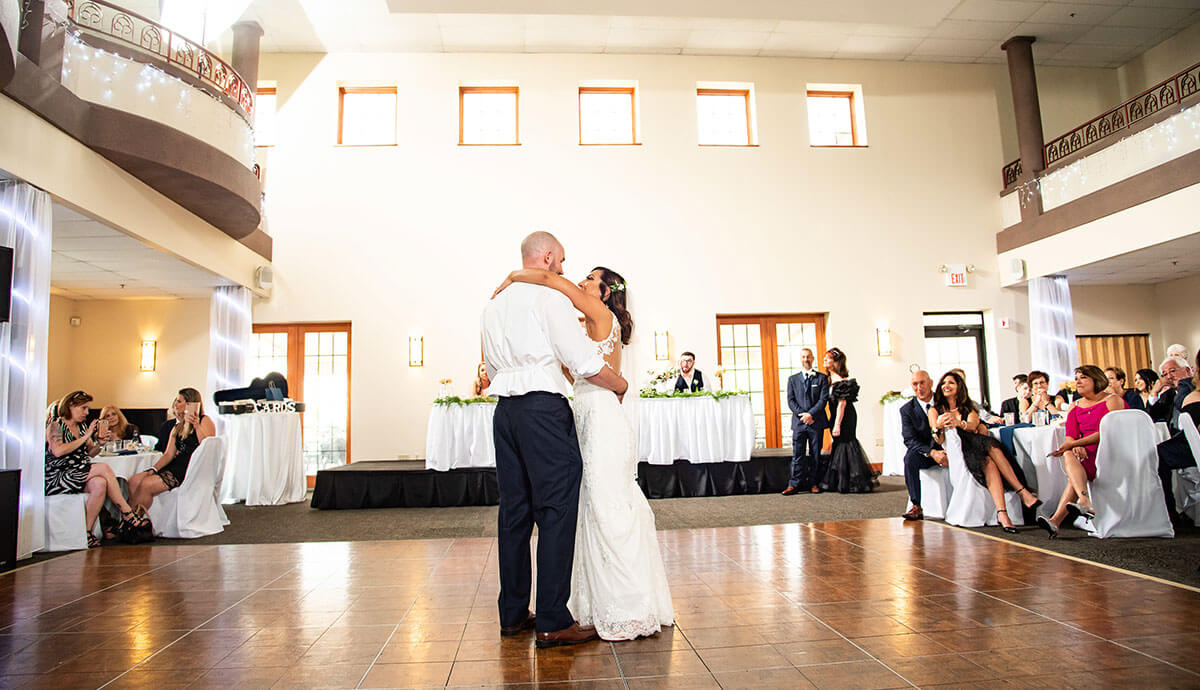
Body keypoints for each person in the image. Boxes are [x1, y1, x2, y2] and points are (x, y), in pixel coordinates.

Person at [497, 259, 674, 642]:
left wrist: (513, 276)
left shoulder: (597, 310)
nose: (581, 281)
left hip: (602, 418)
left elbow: (547, 277)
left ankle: (628, 606)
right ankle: (595, 599)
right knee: (591, 507)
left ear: (606, 292)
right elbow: (574, 368)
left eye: (591, 280)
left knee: (607, 506)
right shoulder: (587, 325)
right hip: (588, 414)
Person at [481, 231, 631, 649]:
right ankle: (551, 619)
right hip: (543, 412)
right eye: (562, 261)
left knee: (513, 513)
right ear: (547, 258)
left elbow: (490, 371)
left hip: (505, 414)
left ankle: (512, 614)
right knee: (556, 509)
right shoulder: (550, 299)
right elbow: (582, 361)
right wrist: (618, 384)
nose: (565, 270)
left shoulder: (492, 305)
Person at [928, 371, 1041, 533]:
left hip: (976, 443)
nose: (946, 386)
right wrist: (939, 426)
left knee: (992, 448)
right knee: (989, 460)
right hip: (961, 449)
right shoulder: (934, 410)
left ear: (959, 387)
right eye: (944, 383)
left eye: (951, 383)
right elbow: (937, 439)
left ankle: (1005, 512)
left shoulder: (969, 408)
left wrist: (958, 423)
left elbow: (973, 426)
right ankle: (1019, 496)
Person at [44, 390, 146, 548]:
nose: (87, 412)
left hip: (79, 473)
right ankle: (127, 512)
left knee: (99, 483)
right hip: (59, 476)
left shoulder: (82, 426)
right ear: (71, 406)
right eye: (83, 408)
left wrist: (99, 443)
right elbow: (58, 450)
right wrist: (86, 437)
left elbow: (91, 452)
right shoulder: (56, 425)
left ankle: (87, 531)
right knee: (103, 467)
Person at [1037, 366, 1126, 538]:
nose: (1077, 381)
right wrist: (1074, 445)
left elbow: (1110, 432)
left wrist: (1076, 443)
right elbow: (1070, 436)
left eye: (1083, 377)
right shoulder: (1075, 406)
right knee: (1069, 454)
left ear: (1097, 380)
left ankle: (1057, 519)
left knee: (1073, 468)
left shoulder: (1112, 400)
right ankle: (1083, 502)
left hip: (1110, 452)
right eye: (1076, 378)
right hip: (1086, 453)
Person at [127, 388, 216, 511]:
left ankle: (135, 520)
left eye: (179, 401)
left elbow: (207, 448)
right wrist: (152, 470)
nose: (175, 404)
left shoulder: (204, 420)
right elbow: (168, 454)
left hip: (191, 468)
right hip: (174, 465)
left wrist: (196, 426)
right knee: (134, 481)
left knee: (145, 485)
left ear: (190, 403)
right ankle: (132, 519)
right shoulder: (177, 426)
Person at [817, 348, 876, 493]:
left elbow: (842, 404)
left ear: (836, 362)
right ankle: (841, 480)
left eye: (828, 358)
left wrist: (837, 424)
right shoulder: (829, 380)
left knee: (846, 443)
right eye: (825, 357)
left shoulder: (841, 381)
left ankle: (853, 481)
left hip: (844, 417)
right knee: (838, 444)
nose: (825, 360)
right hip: (834, 415)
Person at [900, 370, 947, 521]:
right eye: (915, 384)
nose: (919, 387)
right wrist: (931, 452)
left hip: (948, 449)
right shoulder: (907, 410)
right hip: (925, 452)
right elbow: (909, 440)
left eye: (922, 383)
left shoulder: (945, 402)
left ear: (931, 383)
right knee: (909, 459)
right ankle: (916, 505)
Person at [782, 348, 829, 495]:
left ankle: (814, 483)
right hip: (799, 423)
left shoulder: (821, 378)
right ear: (800, 359)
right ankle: (794, 484)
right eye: (803, 357)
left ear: (813, 358)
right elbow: (790, 400)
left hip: (816, 422)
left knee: (816, 454)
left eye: (808, 357)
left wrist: (811, 414)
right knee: (798, 454)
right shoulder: (793, 379)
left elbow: (823, 400)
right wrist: (803, 415)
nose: (806, 359)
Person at [1147, 356, 1194, 430]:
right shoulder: (1167, 395)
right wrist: (1154, 392)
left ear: (1187, 370)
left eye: (1172, 371)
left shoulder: (1196, 389)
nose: (1169, 376)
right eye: (1164, 374)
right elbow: (1152, 416)